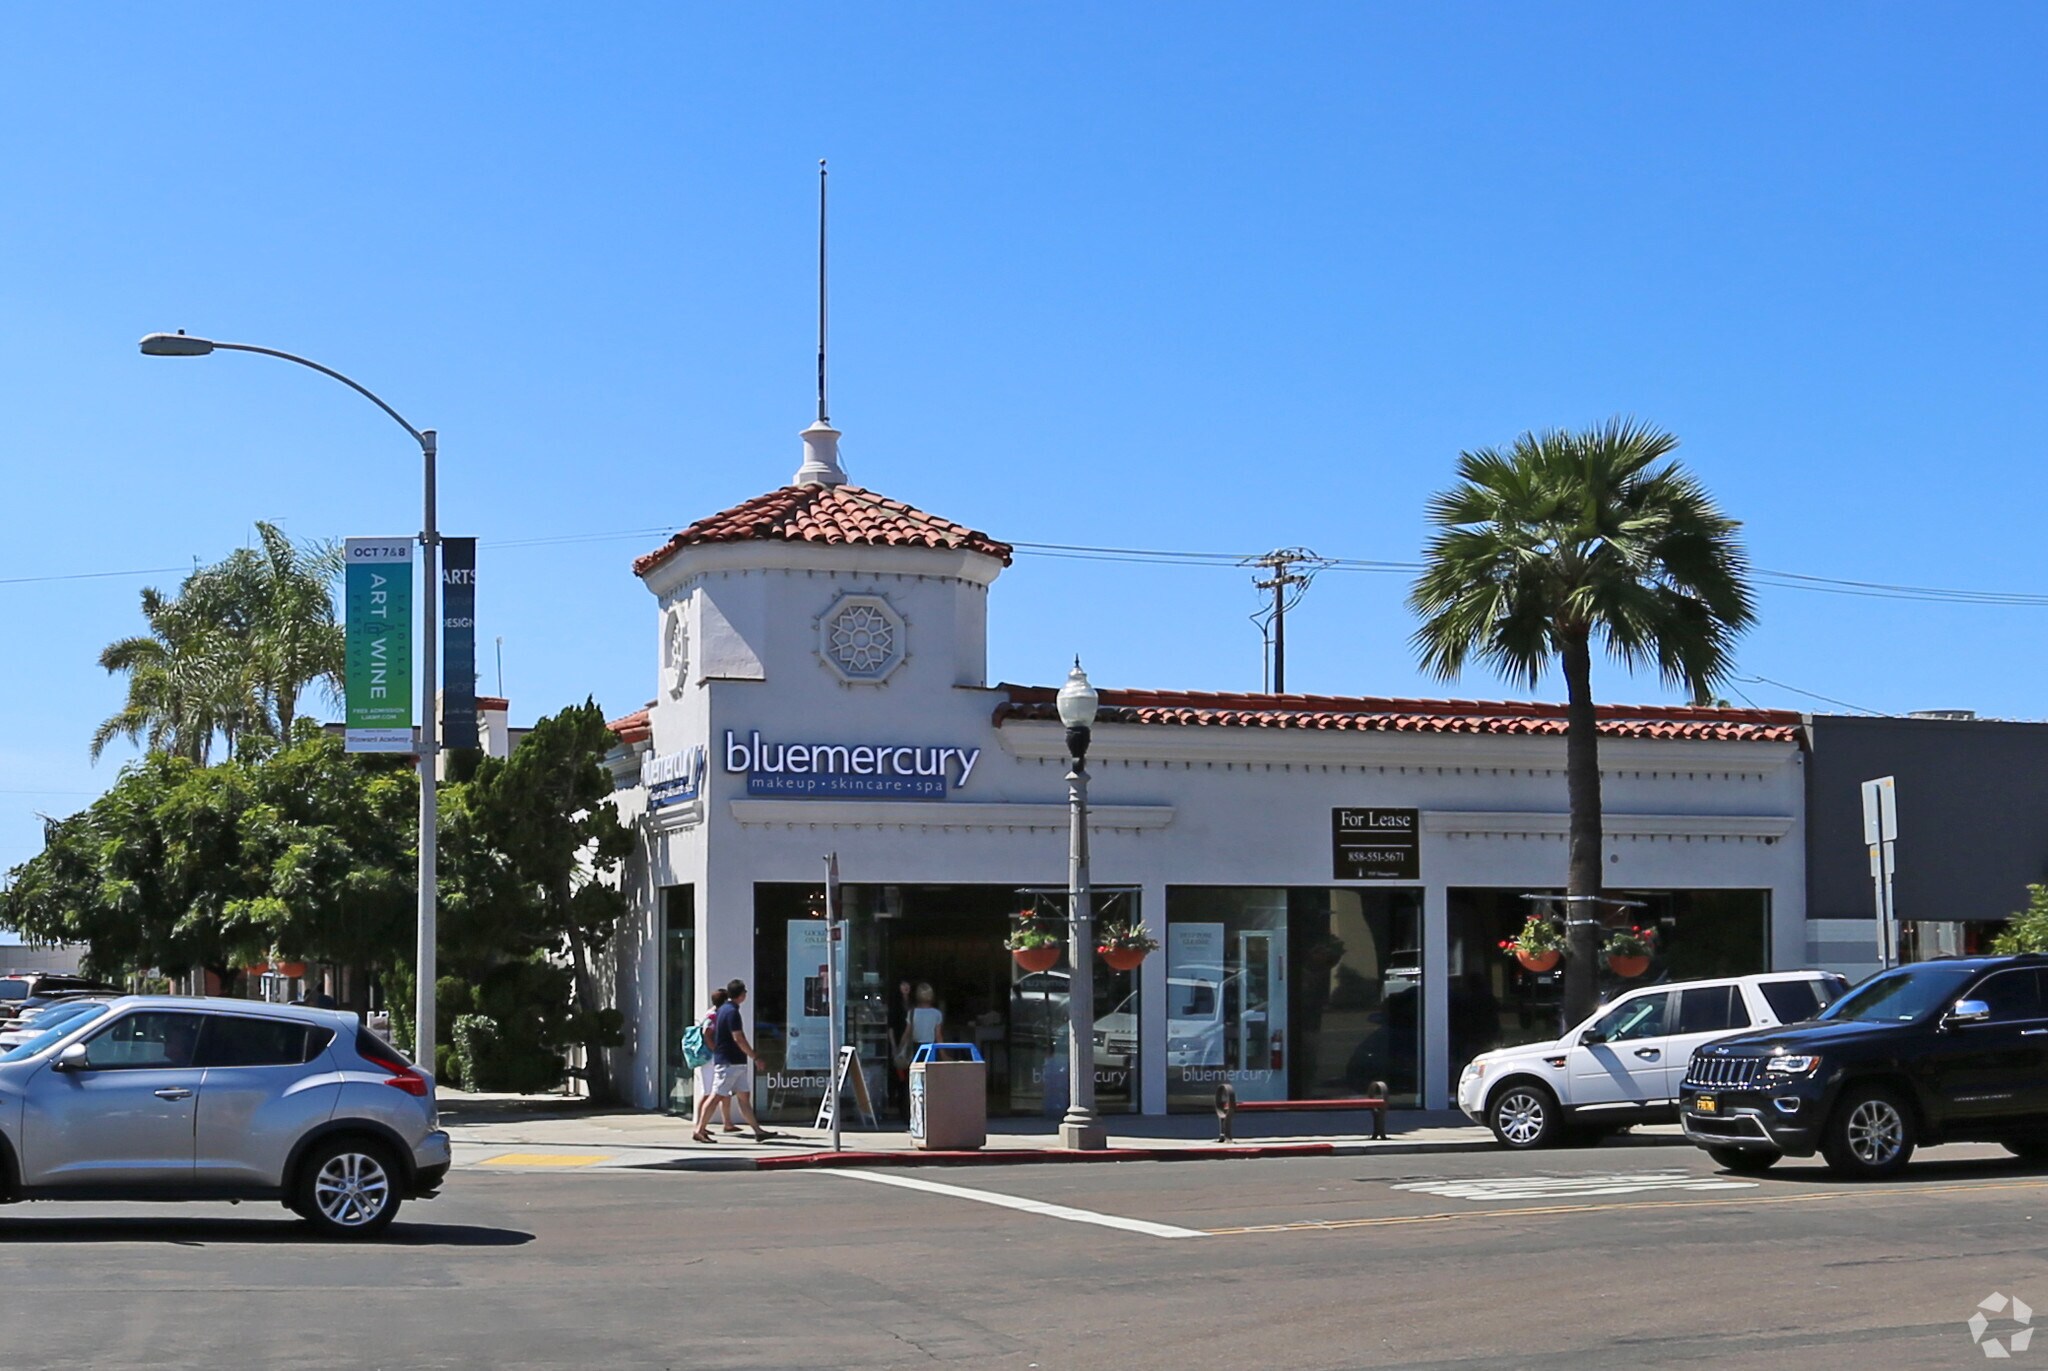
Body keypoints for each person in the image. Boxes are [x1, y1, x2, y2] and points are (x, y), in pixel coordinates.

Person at [693, 979, 777, 1144]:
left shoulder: (724, 1010)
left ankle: (758, 1131)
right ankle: (699, 1130)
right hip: (729, 1062)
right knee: (716, 1096)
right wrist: (755, 1056)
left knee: (744, 1096)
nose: (746, 995)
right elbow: (738, 1038)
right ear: (741, 995)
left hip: (736, 1062)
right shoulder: (731, 1012)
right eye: (744, 992)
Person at [699, 987, 737, 1133]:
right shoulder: (713, 1015)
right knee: (709, 1093)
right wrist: (716, 1050)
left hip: (716, 1057)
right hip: (711, 1058)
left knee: (724, 1092)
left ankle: (727, 1123)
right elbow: (707, 1034)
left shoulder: (717, 1013)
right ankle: (700, 1125)